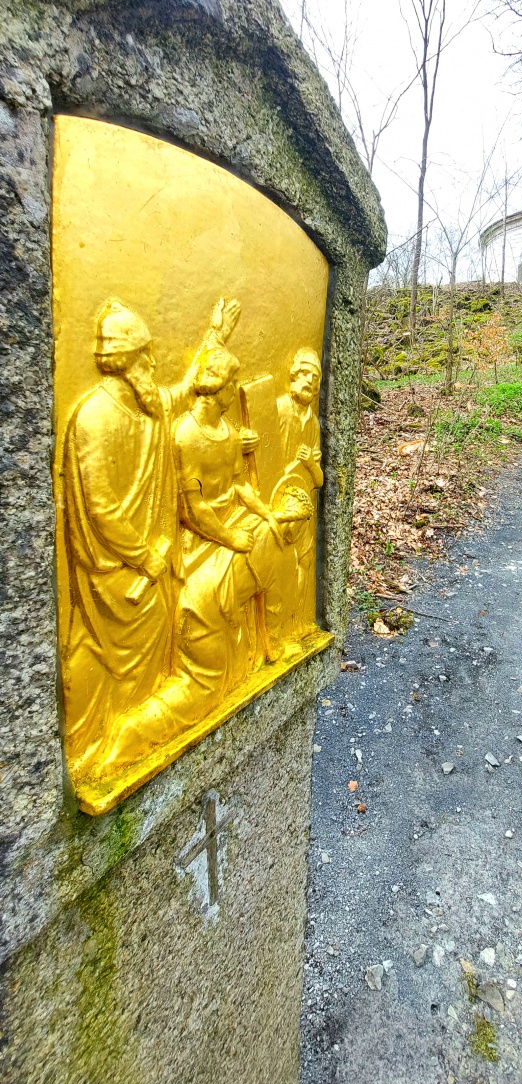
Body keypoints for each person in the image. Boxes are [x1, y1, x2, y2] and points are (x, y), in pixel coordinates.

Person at [104, 344, 311, 767]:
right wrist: (231, 537)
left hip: (235, 525)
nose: (237, 390)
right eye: (233, 385)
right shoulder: (185, 435)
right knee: (207, 681)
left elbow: (240, 487)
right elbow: (192, 510)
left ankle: (275, 638)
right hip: (200, 543)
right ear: (217, 389)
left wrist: (266, 514)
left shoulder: (229, 432)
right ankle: (135, 733)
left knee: (276, 538)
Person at [62, 296, 240, 777]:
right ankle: (85, 749)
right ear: (122, 362)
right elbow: (101, 511)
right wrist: (144, 557)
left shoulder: (145, 406)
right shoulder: (95, 418)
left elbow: (182, 392)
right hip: (117, 576)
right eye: (145, 356)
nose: (154, 363)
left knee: (142, 671)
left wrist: (215, 337)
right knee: (93, 656)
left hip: (150, 567)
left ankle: (119, 743)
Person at [276, 348, 323, 635]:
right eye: (304, 373)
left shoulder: (313, 424)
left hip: (303, 506)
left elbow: (318, 479)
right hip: (278, 503)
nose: (309, 381)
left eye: (315, 377)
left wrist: (308, 463)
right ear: (293, 376)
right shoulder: (279, 409)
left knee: (303, 562)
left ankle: (296, 623)